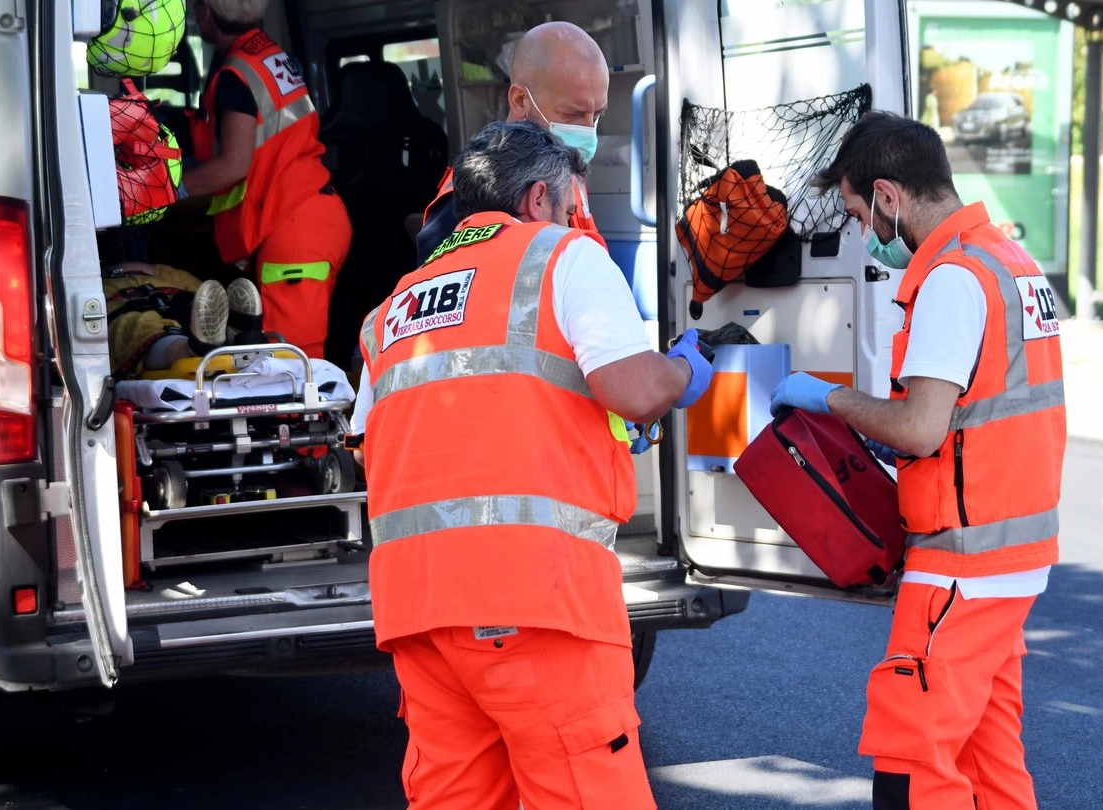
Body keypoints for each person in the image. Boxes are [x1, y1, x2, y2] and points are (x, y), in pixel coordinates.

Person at [354, 121, 713, 809]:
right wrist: (681, 370)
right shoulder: (561, 257)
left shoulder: (393, 306)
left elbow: (389, 442)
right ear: (541, 198)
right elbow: (634, 390)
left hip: (419, 611)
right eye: (573, 205)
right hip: (535, 600)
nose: (577, 218)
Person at [771, 111, 1066, 809]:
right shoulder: (1012, 264)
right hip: (1013, 552)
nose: (865, 231)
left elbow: (922, 428)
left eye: (858, 212)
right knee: (991, 763)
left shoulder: (953, 280)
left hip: (961, 565)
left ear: (888, 195)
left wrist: (831, 400)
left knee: (912, 764)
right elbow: (979, 413)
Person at [182, 0, 351, 359]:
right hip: (310, 215)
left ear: (206, 14)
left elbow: (233, 165)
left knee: (289, 364)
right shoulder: (269, 56)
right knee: (286, 359)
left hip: (294, 228)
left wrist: (168, 190)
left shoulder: (236, 75)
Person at [415, 21, 607, 265]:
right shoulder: (474, 191)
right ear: (519, 100)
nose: (588, 130)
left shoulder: (561, 168)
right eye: (571, 115)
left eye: (598, 114)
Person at [103, 262, 261, 376]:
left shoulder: (164, 272)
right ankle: (240, 338)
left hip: (171, 300)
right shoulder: (99, 283)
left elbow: (207, 293)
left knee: (195, 305)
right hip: (129, 302)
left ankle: (208, 345)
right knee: (138, 325)